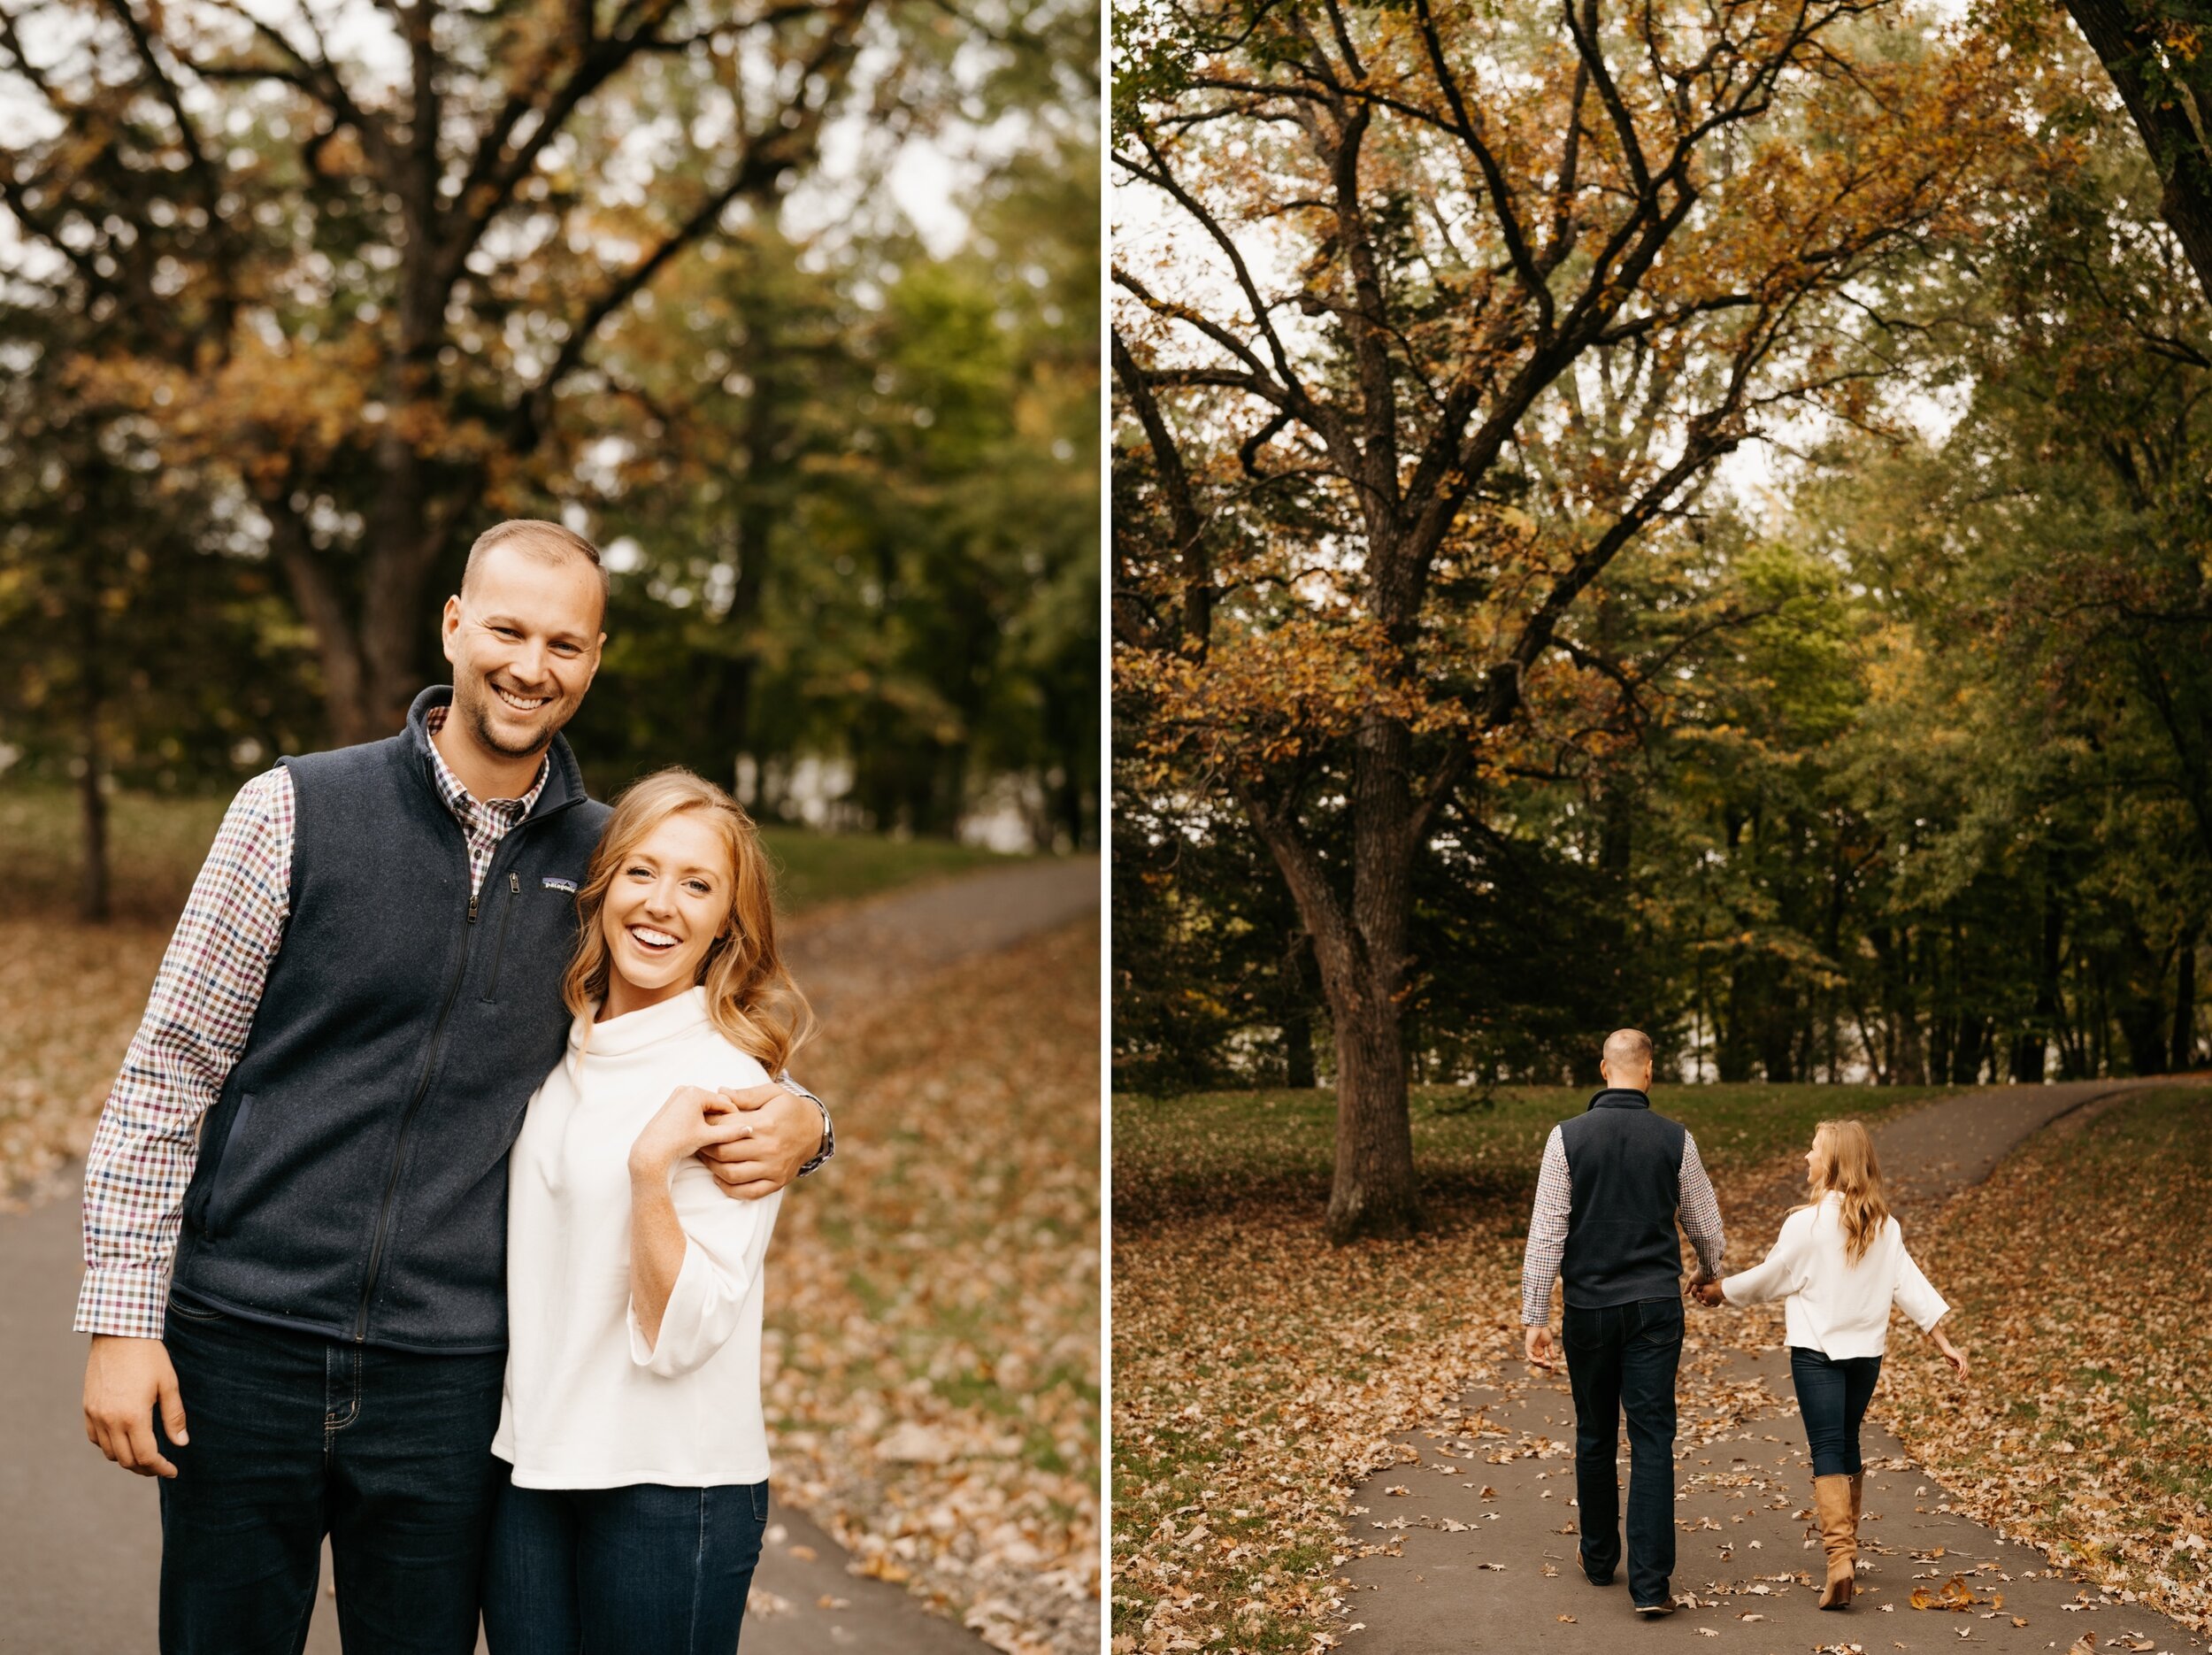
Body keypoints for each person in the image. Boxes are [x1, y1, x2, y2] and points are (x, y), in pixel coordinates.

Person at [75, 520, 834, 1654]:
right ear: (454, 625)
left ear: (595, 657)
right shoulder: (291, 810)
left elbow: (689, 1019)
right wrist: (121, 1319)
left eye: (565, 644)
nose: (532, 666)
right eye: (509, 630)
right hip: (243, 1340)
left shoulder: (602, 864)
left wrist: (808, 1119)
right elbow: (170, 1066)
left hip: (449, 1383)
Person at [483, 769, 807, 1652]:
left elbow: (685, 1333)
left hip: (668, 1486)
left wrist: (648, 1173)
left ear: (727, 924)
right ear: (603, 886)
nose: (661, 905)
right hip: (533, 1470)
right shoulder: (567, 1044)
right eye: (641, 871)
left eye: (697, 885)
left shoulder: (732, 1083)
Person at [1692, 1119, 1966, 1609]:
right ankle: (1848, 1554)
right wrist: (1942, 1339)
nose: (1806, 1157)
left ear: (1834, 1161)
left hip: (1817, 1353)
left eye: (1814, 1149)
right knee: (1847, 1439)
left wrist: (1721, 1290)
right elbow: (1910, 1284)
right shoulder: (1884, 1224)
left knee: (1825, 1446)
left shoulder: (1808, 1223)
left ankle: (1839, 1559)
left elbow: (1772, 1277)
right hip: (1866, 1356)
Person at [1519, 1028, 1725, 1617]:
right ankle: (1652, 1586)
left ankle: (1598, 1553)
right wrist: (1709, 1272)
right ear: (1650, 1073)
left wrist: (1536, 1316)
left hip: (1588, 1309)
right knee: (1653, 1437)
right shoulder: (1675, 1140)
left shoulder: (1567, 1139)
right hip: (1656, 1309)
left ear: (1603, 1069)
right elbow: (1706, 1224)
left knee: (1594, 1432)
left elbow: (1546, 1236)